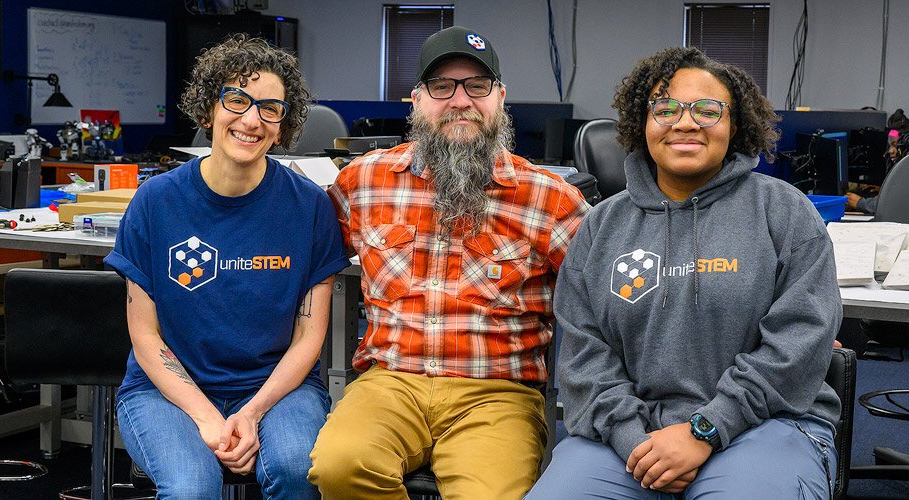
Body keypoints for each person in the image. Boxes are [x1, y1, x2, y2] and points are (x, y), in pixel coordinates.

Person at [525, 46, 843, 499]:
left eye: (708, 110)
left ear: (735, 125)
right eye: (666, 108)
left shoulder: (784, 212)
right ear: (643, 122)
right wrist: (635, 441)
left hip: (767, 425)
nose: (686, 122)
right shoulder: (601, 226)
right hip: (630, 439)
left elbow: (799, 344)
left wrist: (705, 430)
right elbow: (584, 356)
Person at [309, 26, 589, 499]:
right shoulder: (364, 181)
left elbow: (606, 296)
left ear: (500, 97)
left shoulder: (550, 199)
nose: (460, 101)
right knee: (339, 467)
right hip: (390, 383)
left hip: (496, 393)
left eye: (476, 86)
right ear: (416, 100)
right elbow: (300, 256)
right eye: (442, 87)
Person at [104, 35, 349, 498]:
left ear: (284, 125)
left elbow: (309, 338)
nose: (251, 120)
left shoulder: (311, 208)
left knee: (300, 473)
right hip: (167, 391)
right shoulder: (156, 202)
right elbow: (145, 334)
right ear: (208, 110)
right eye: (236, 99)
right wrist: (206, 416)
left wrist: (253, 412)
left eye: (270, 108)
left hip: (279, 389)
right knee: (191, 488)